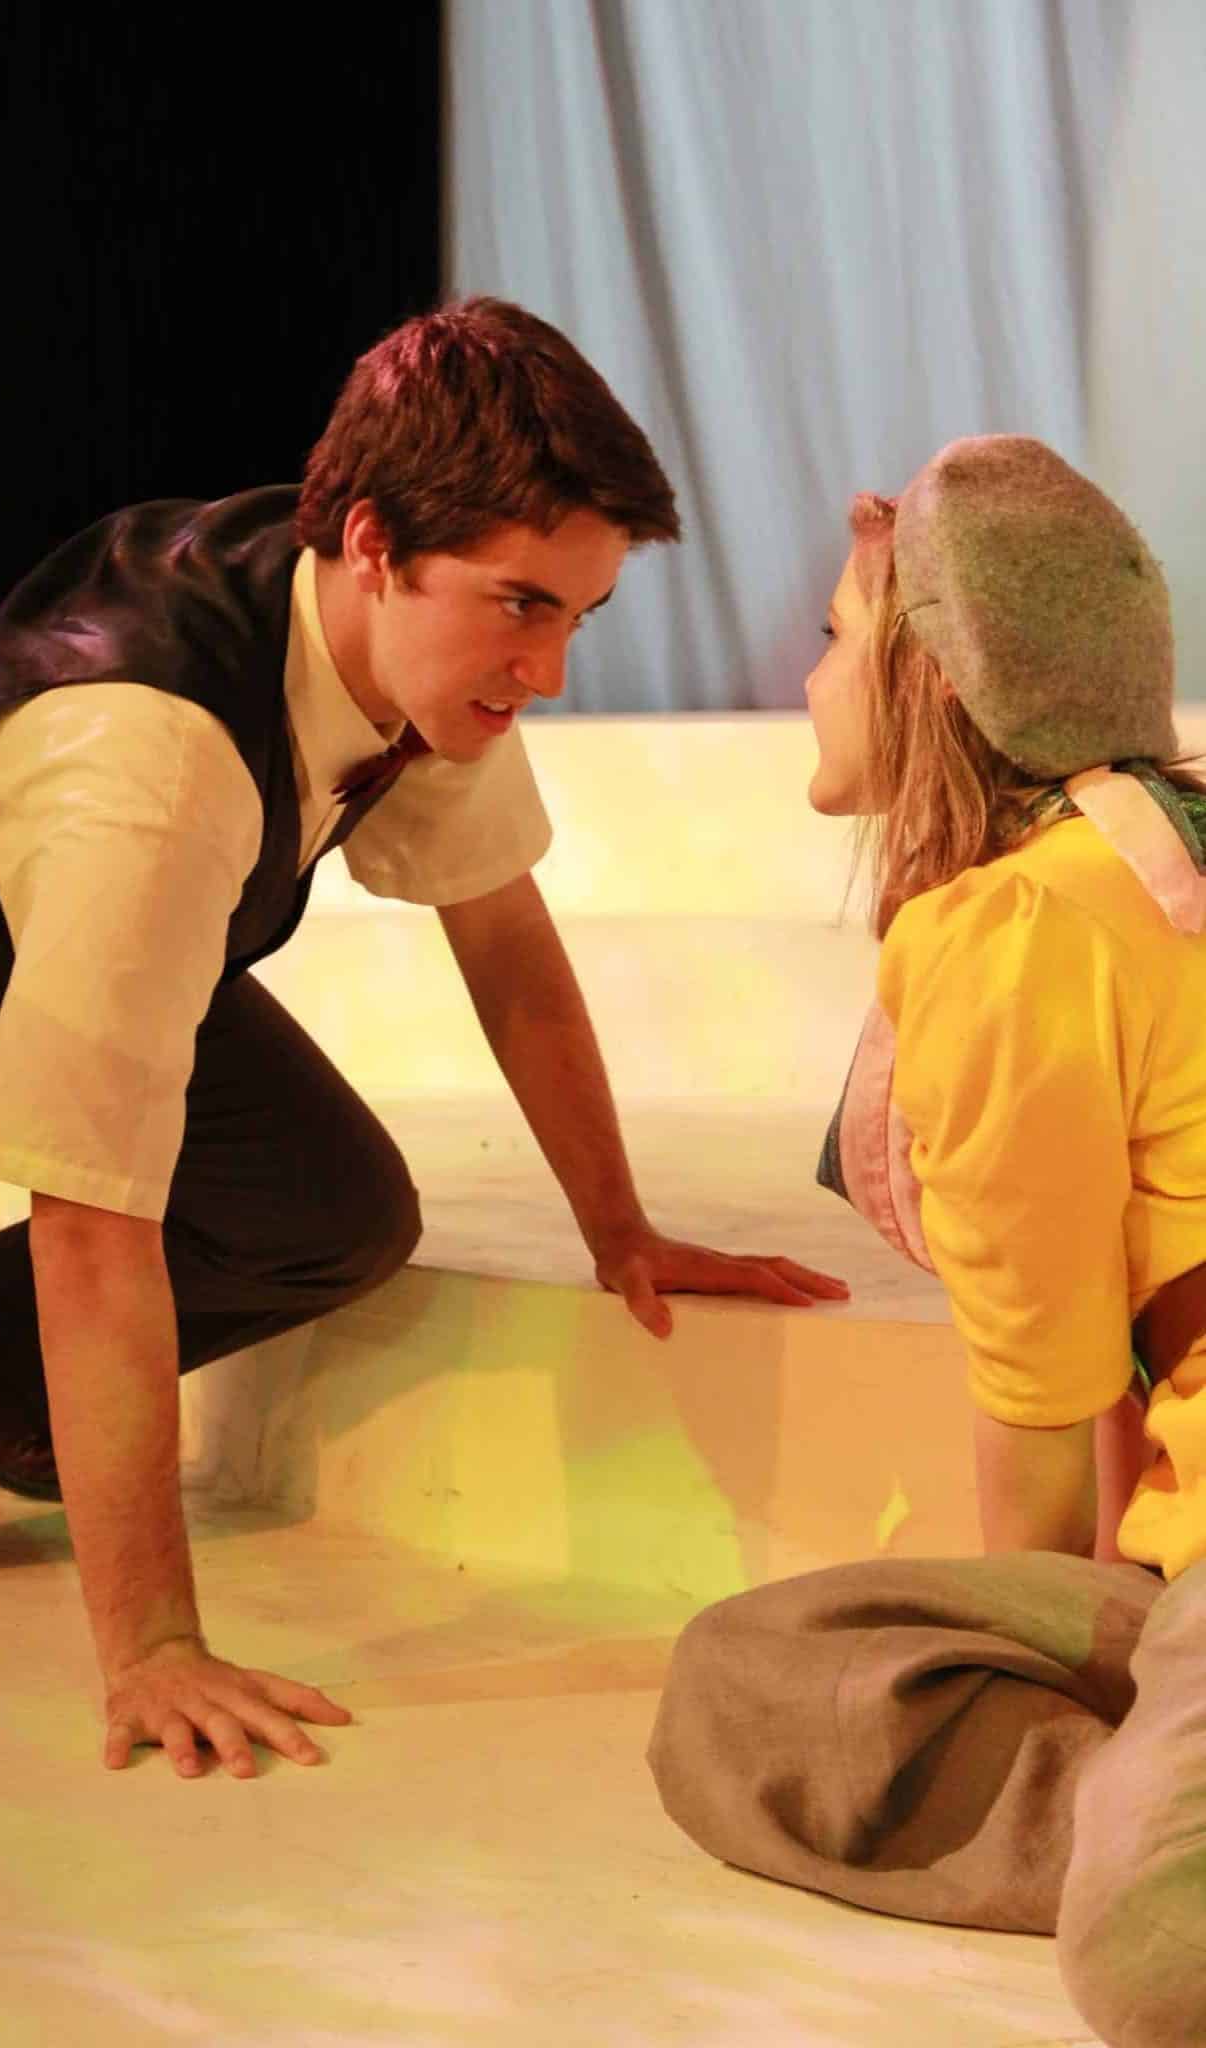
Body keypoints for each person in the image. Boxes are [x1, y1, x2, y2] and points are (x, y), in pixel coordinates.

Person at [0, 297, 847, 1784]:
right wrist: (155, 1647)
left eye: (578, 615)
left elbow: (504, 940)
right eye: (521, 606)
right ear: (374, 543)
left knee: (336, 1211)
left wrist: (619, 1228)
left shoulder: (398, 641)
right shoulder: (150, 762)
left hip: (48, 933)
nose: (550, 670)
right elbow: (90, 1223)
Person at [649, 436, 1206, 2047]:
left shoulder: (1019, 926)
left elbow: (1039, 1391)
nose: (809, 676)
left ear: (931, 682)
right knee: (752, 1660)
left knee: (1153, 1959)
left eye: (837, 638)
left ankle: (1144, 1829)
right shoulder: (1150, 860)